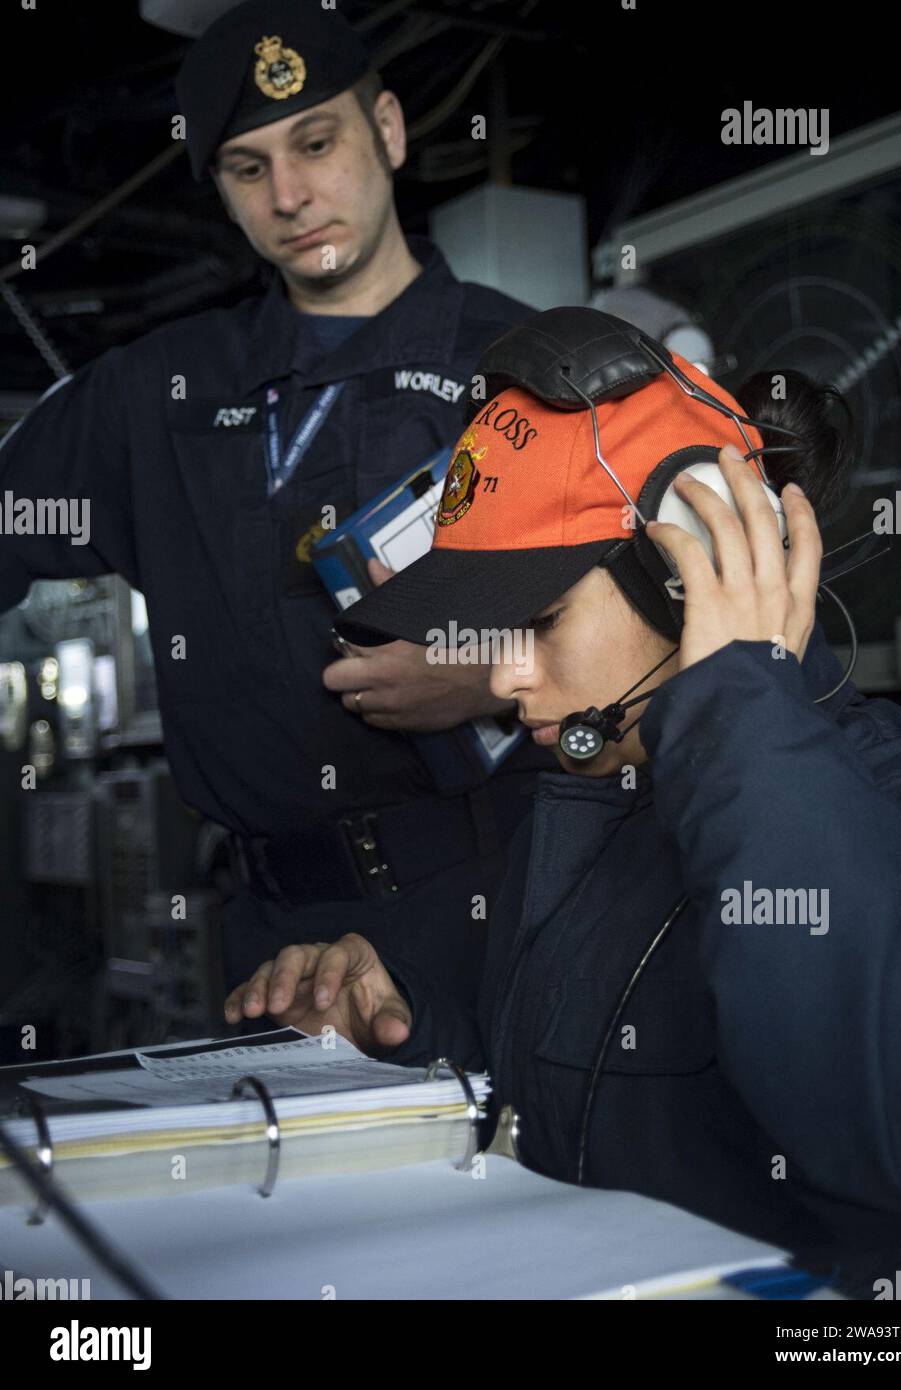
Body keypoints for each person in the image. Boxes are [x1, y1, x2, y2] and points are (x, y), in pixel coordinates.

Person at [225, 309, 901, 1295]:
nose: (507, 677)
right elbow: (593, 1100)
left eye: (540, 621)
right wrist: (410, 1036)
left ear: (687, 569)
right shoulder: (592, 799)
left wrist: (740, 706)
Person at [0, 0, 550, 1004]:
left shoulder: (524, 367)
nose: (291, 194)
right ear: (221, 189)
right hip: (272, 939)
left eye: (316, 141)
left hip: (508, 900)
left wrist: (511, 672)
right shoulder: (154, 394)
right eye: (249, 168)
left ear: (386, 129)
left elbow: (698, 627)